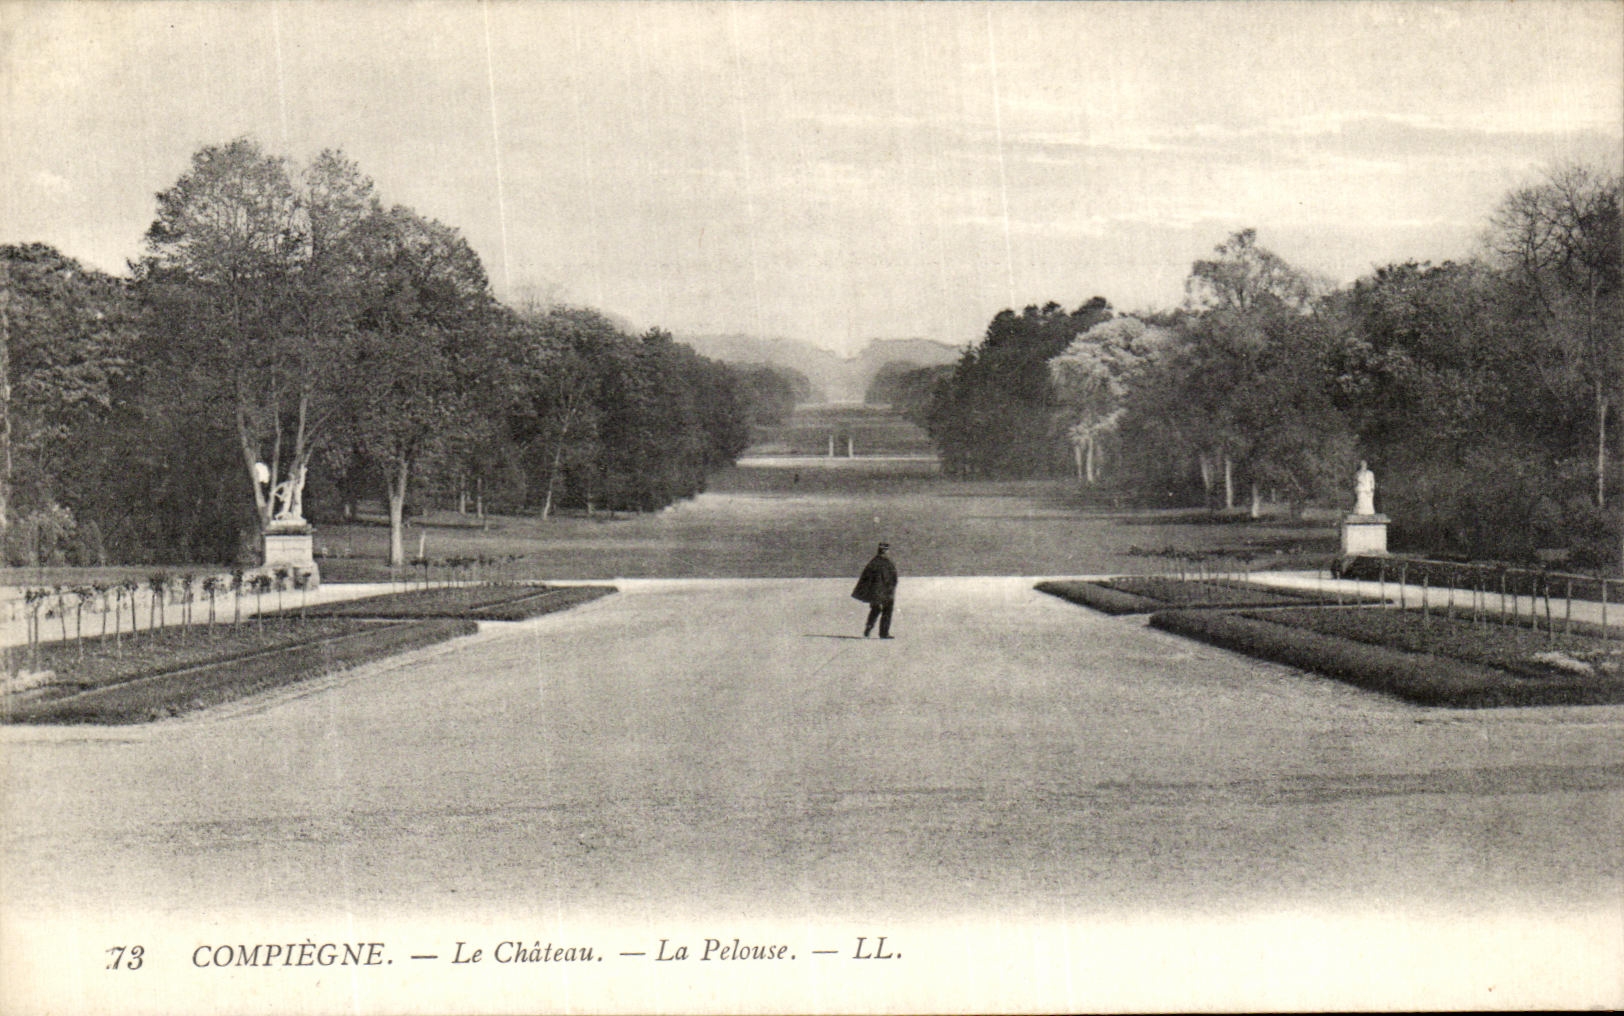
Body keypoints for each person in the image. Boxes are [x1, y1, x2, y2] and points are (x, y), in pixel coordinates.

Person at [852, 542, 899, 638]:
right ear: (886, 551)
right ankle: (883, 633)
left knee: (876, 609)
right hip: (886, 591)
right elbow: (892, 578)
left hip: (875, 592)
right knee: (887, 610)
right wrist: (891, 588)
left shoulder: (873, 562)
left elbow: (865, 578)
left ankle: (869, 627)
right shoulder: (888, 563)